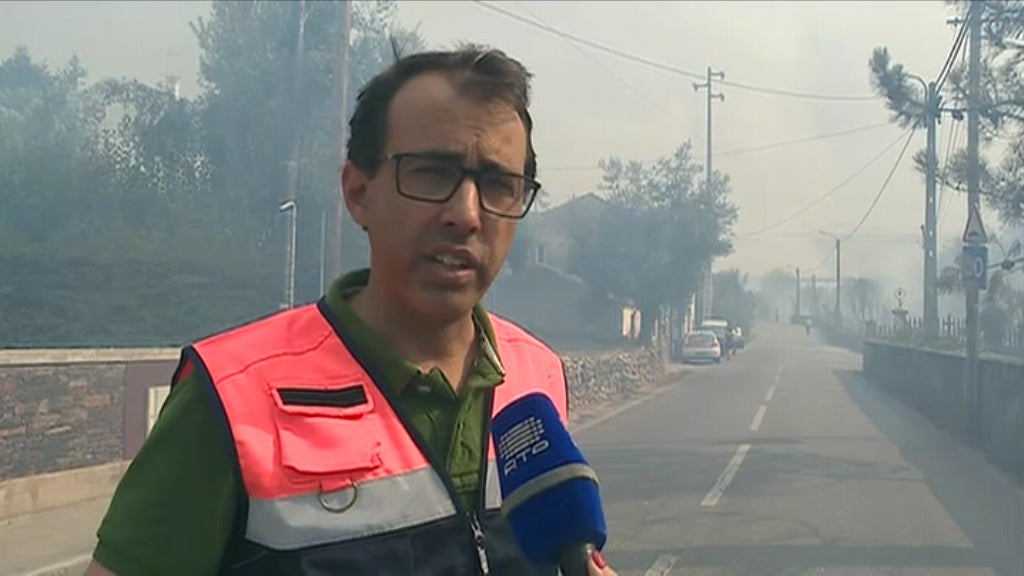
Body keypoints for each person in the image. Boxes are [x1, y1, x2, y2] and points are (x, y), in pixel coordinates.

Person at [84, 45, 618, 576]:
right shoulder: (228, 397)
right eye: (432, 173)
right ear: (358, 192)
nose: (466, 215)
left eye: (500, 184)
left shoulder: (538, 374)